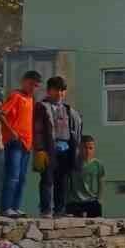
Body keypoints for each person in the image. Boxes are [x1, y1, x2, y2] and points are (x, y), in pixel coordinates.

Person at [33, 75, 84, 217]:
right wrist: (40, 149)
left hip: (66, 148)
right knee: (47, 180)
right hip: (49, 148)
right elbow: (38, 130)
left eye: (62, 90)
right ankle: (46, 210)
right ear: (49, 91)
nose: (60, 93)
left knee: (62, 180)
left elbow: (75, 129)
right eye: (56, 90)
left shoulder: (68, 110)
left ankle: (60, 210)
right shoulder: (42, 107)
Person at [0, 69, 40, 218]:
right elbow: (1, 114)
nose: (32, 87)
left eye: (35, 85)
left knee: (22, 178)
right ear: (24, 81)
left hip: (27, 144)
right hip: (15, 142)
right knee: (12, 176)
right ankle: (6, 207)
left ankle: (15, 207)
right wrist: (12, 132)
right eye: (30, 84)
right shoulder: (16, 95)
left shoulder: (31, 99)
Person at [65, 135, 106, 218]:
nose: (87, 151)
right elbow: (66, 182)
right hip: (74, 201)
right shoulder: (73, 163)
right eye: (85, 148)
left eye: (90, 148)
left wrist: (99, 198)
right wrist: (67, 198)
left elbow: (101, 182)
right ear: (80, 148)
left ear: (94, 149)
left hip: (91, 200)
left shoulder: (98, 165)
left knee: (96, 224)